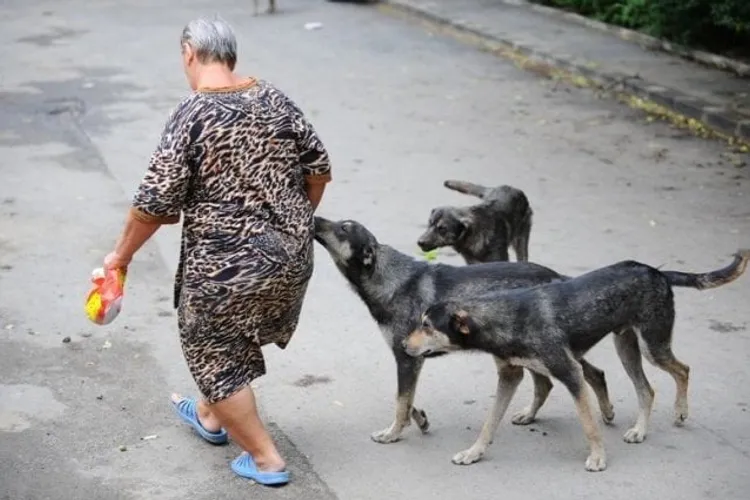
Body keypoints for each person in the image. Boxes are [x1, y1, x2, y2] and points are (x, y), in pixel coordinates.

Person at [103, 16, 331, 486]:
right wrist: (293, 224)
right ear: (232, 54)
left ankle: (266, 458)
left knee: (210, 346)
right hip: (291, 259)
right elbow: (319, 169)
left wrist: (118, 258)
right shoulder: (275, 98)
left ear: (189, 53)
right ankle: (211, 415)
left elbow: (152, 205)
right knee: (230, 339)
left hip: (225, 269)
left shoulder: (192, 114)